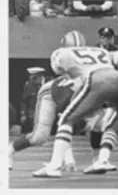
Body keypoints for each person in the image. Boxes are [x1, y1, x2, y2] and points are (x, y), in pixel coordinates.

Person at [32, 32, 118, 178]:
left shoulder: (61, 54)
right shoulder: (101, 51)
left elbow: (68, 76)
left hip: (97, 82)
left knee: (65, 120)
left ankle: (54, 166)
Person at [8, 31, 87, 171]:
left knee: (70, 122)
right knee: (39, 137)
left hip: (70, 89)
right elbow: (68, 80)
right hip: (52, 93)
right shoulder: (60, 57)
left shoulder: (87, 64)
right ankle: (8, 153)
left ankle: (66, 161)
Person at [20, 67, 47, 133]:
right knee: (36, 129)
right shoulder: (29, 87)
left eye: (41, 77)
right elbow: (24, 102)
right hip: (33, 111)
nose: (41, 79)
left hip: (43, 110)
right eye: (39, 77)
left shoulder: (43, 85)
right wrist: (23, 114)